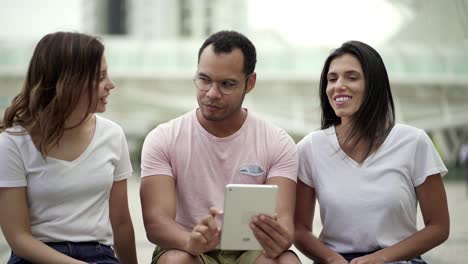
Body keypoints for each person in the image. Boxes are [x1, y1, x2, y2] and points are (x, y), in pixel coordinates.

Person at [140, 30, 300, 264]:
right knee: (177, 261)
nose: (212, 94)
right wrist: (190, 241)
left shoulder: (277, 142)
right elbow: (156, 223)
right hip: (187, 247)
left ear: (250, 83)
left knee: (286, 261)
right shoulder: (164, 138)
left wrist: (279, 238)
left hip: (252, 251)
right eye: (204, 80)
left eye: (227, 84)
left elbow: (284, 223)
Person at [294, 41, 450, 264]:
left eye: (352, 77)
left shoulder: (414, 142)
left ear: (374, 84)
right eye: (332, 78)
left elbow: (439, 227)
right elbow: (299, 229)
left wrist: (380, 258)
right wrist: (332, 260)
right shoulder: (310, 147)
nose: (338, 85)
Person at [0, 32, 138, 264]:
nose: (110, 85)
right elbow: (18, 238)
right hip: (35, 257)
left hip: (99, 255)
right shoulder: (12, 143)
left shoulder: (112, 135)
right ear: (69, 82)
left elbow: (121, 222)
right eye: (100, 77)